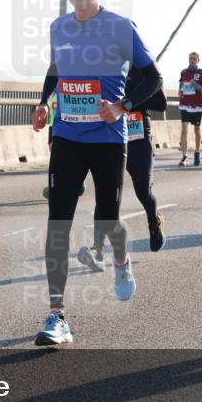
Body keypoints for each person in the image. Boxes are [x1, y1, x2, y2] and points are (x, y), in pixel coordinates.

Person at [31, 0, 162, 346]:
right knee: (58, 223)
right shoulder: (59, 27)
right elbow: (56, 69)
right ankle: (57, 316)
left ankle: (121, 260)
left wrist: (121, 106)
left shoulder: (121, 28)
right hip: (68, 137)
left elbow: (154, 78)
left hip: (107, 139)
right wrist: (43, 103)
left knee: (108, 220)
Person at [77, 71, 168, 272]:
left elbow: (161, 104)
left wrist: (129, 101)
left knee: (143, 191)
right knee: (105, 195)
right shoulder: (107, 70)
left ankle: (154, 224)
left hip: (138, 139)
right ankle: (97, 250)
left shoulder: (142, 70)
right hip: (112, 138)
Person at [177, 52, 202, 166]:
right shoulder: (184, 72)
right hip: (185, 105)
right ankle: (184, 156)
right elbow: (181, 84)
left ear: (198, 60)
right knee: (184, 131)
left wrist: (195, 85)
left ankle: (197, 153)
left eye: (194, 59)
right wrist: (180, 92)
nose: (191, 60)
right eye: (190, 58)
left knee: (197, 130)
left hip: (197, 106)